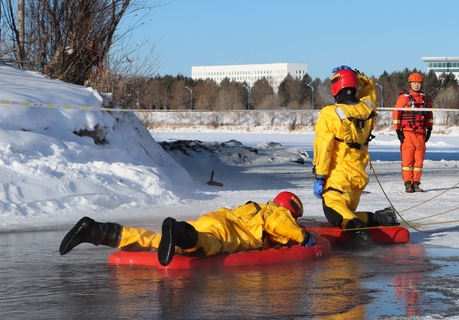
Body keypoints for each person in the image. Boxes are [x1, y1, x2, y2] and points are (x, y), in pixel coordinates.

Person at [59, 191, 317, 266]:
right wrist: (302, 236)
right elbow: (278, 224)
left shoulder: (256, 207)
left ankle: (95, 231)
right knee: (206, 246)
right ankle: (178, 231)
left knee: (155, 240)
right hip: (226, 234)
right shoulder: (278, 213)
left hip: (212, 219)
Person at [313, 65, 398, 248]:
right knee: (346, 211)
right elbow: (370, 90)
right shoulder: (367, 107)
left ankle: (360, 234)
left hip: (338, 181)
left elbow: (323, 147)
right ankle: (380, 217)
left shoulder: (330, 114)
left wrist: (320, 176)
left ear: (336, 88)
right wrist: (357, 75)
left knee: (334, 214)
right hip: (357, 180)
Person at [392, 71, 434, 193]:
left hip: (421, 134)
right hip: (407, 134)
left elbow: (430, 114)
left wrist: (429, 128)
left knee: (418, 161)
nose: (416, 85)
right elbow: (396, 113)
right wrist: (398, 130)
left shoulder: (425, 99)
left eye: (419, 83)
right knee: (407, 160)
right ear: (410, 83)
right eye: (414, 83)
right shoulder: (403, 98)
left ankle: (416, 183)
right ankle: (408, 183)